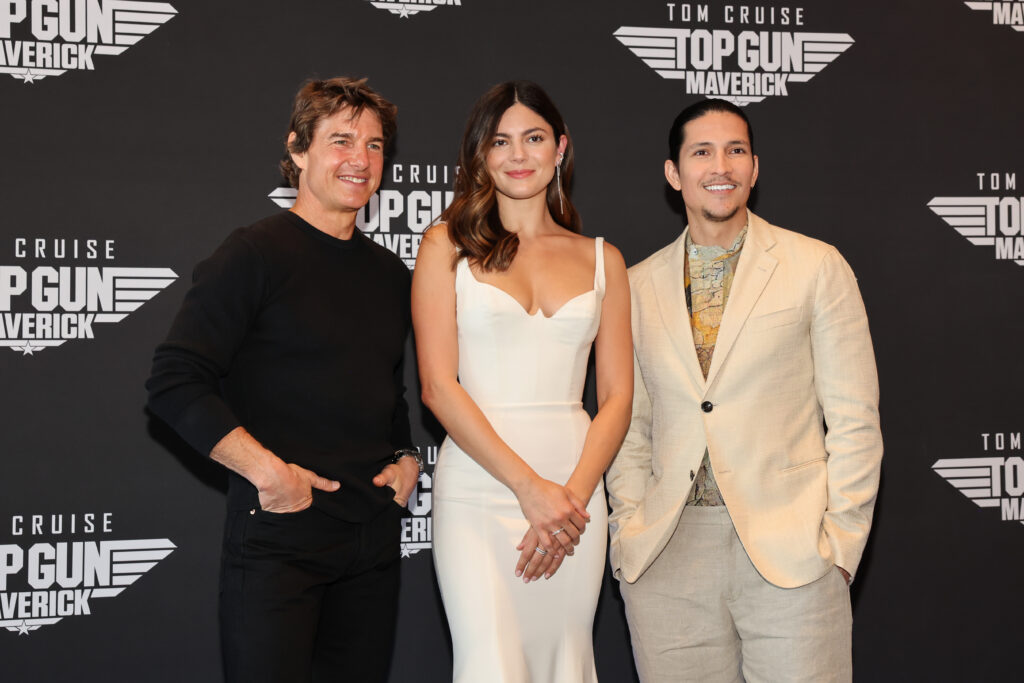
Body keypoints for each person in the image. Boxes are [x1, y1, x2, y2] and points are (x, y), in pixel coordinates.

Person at [145, 77, 420, 683]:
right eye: (341, 140)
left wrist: (406, 456)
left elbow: (386, 386)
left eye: (375, 146)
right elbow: (174, 380)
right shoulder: (253, 254)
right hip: (280, 538)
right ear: (298, 150)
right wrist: (269, 475)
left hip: (372, 541)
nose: (360, 160)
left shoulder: (390, 273)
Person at [606, 98, 883, 682]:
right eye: (701, 152)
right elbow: (631, 425)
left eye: (735, 151)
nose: (720, 166)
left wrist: (839, 548)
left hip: (792, 552)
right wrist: (628, 531)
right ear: (673, 173)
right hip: (668, 553)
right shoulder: (634, 285)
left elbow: (855, 419)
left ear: (755, 168)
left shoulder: (816, 266)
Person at [412, 81, 633, 682]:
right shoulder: (445, 245)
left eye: (533, 138)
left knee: (566, 660)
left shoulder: (602, 259)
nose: (517, 155)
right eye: (500, 141)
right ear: (480, 155)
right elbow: (437, 386)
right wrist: (529, 489)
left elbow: (617, 398)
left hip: (576, 496)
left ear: (559, 148)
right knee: (492, 664)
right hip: (481, 490)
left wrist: (572, 500)